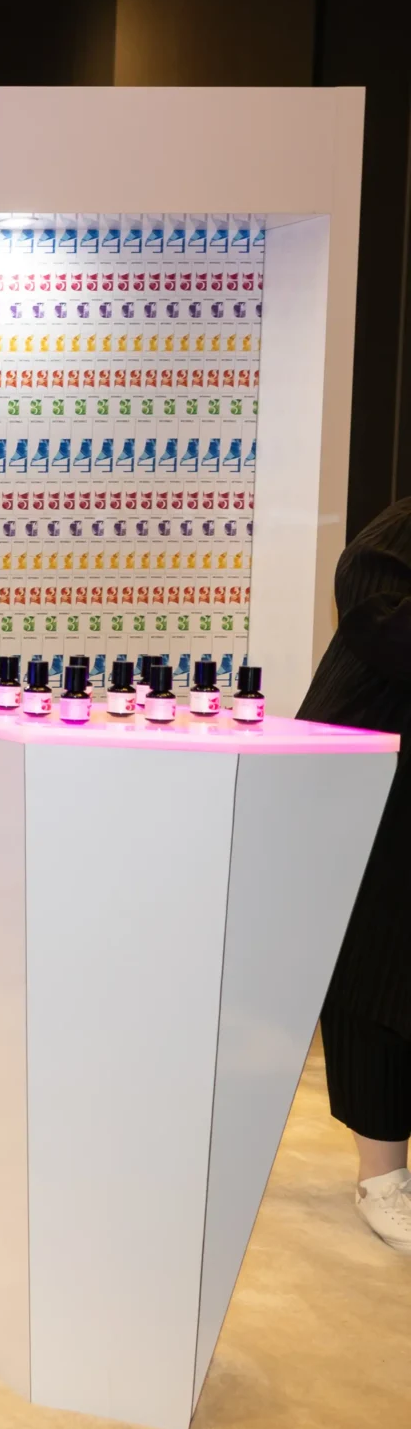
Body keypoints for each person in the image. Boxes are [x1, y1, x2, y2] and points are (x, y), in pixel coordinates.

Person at [297, 495, 411, 1251]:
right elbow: (375, 613)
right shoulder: (400, 530)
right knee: (377, 971)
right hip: (375, 782)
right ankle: (383, 1175)